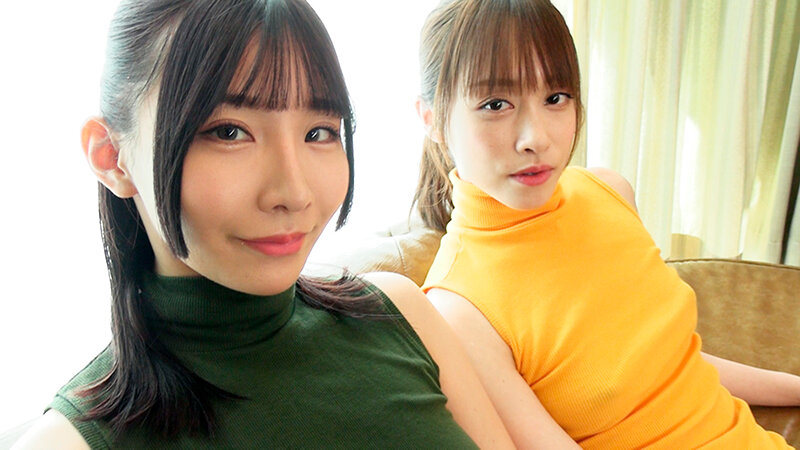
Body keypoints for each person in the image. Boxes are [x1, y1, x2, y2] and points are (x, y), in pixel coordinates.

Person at [12, 0, 515, 448]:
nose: (294, 193)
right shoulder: (68, 442)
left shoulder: (399, 312)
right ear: (111, 156)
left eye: (319, 132)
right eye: (229, 132)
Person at [414, 0, 800, 448]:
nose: (536, 138)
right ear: (431, 120)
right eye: (496, 104)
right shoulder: (458, 311)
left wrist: (793, 386)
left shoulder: (609, 191)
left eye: (555, 98)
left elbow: (671, 363)